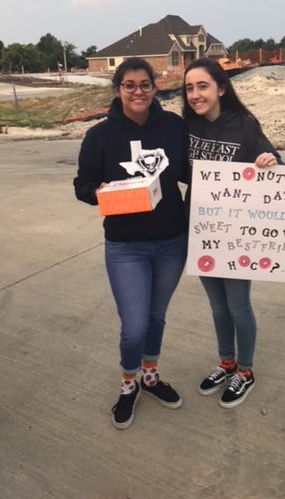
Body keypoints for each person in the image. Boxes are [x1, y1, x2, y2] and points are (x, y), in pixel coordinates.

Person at [74, 57, 189, 429]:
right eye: (129, 85)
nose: (138, 91)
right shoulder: (100, 136)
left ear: (155, 88)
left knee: (157, 316)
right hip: (126, 246)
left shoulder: (174, 127)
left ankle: (151, 377)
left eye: (145, 84)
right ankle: (128, 383)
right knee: (135, 324)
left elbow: (195, 171)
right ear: (118, 90)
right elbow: (82, 185)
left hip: (172, 240)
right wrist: (98, 191)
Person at [182, 57, 282, 408]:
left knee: (239, 306)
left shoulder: (244, 125)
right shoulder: (186, 127)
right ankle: (226, 363)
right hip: (202, 231)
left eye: (203, 86)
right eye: (190, 87)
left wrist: (269, 161)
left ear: (221, 88)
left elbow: (276, 164)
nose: (195, 94)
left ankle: (246, 371)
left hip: (237, 234)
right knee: (217, 307)